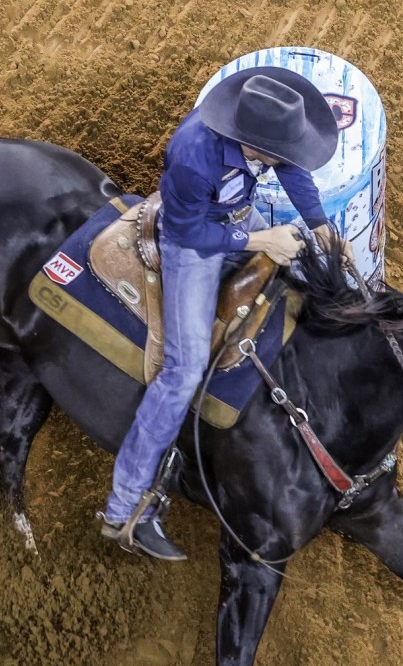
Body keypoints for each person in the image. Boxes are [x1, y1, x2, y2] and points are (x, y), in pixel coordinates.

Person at [98, 67, 339, 560]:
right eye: (278, 152)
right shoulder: (193, 155)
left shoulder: (264, 140)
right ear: (252, 142)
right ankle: (125, 511)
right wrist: (260, 240)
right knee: (182, 373)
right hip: (192, 242)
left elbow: (291, 168)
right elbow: (187, 233)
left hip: (231, 217)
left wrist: (322, 228)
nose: (286, 161)